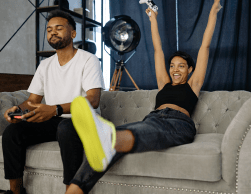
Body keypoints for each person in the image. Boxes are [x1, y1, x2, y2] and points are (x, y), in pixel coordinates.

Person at [65, 1, 222, 193]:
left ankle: (107, 137)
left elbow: (204, 47)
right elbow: (158, 50)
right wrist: (153, 19)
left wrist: (213, 12)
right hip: (152, 118)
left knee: (113, 137)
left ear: (190, 70)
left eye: (181, 66)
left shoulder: (193, 85)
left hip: (178, 123)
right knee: (101, 147)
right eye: (172, 65)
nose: (175, 70)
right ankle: (74, 189)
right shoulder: (164, 83)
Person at [2, 10, 105, 194]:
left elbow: (93, 100)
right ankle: (15, 191)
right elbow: (33, 101)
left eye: (59, 28)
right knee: (13, 132)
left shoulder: (88, 60)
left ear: (73, 33)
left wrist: (55, 109)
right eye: (49, 30)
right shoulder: (45, 65)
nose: (53, 33)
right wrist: (17, 110)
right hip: (57, 120)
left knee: (65, 128)